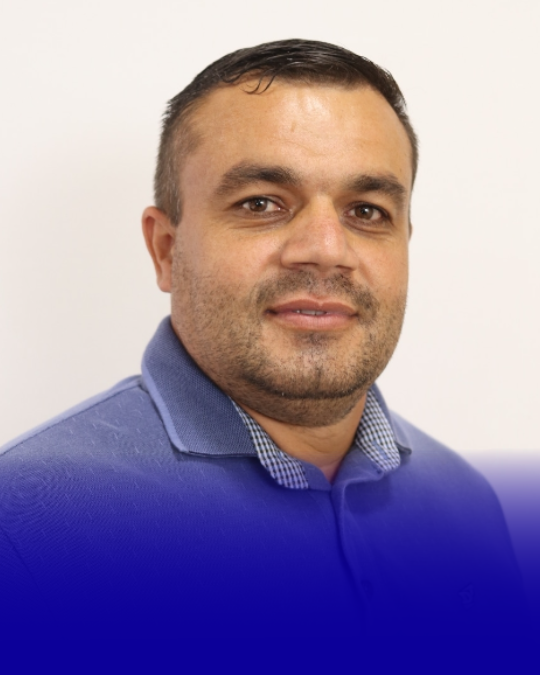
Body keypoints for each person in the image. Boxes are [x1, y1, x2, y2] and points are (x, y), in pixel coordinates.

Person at [0, 40, 529, 656]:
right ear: (166, 249)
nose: (326, 250)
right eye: (261, 204)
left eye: (367, 211)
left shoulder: (469, 506)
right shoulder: (28, 526)